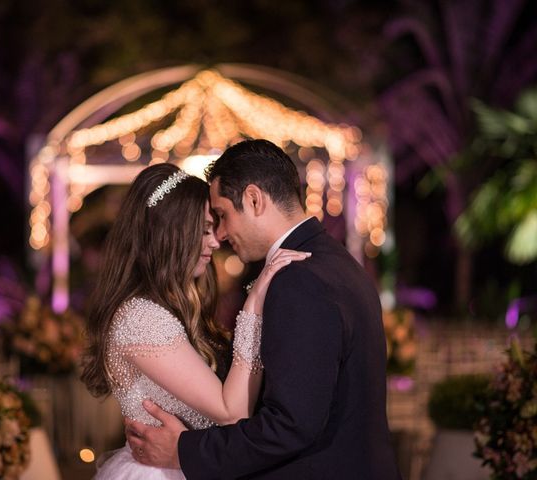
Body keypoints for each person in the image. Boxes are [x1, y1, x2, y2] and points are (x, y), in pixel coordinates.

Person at [125, 139, 402, 479]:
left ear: (254, 199)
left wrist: (183, 451)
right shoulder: (336, 262)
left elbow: (289, 425)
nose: (221, 235)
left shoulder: (299, 280)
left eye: (223, 216)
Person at [80, 162, 309, 479]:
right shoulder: (141, 318)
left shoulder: (169, 309)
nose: (216, 242)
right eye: (203, 230)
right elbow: (232, 412)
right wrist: (254, 304)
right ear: (169, 235)